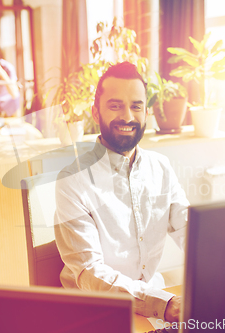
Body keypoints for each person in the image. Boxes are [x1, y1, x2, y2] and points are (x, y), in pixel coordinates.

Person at [54, 62, 189, 322]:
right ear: (95, 113)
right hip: (94, 311)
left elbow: (189, 228)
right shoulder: (72, 180)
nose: (127, 116)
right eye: (115, 105)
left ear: (146, 113)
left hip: (151, 301)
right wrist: (165, 304)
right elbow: (90, 272)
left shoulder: (160, 167)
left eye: (136, 106)